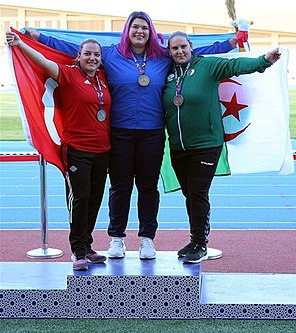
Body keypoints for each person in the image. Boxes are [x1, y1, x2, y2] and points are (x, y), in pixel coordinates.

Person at [24, 11, 238, 260]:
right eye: (135, 27)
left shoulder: (163, 56)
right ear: (128, 30)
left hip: (152, 133)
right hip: (119, 133)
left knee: (148, 187)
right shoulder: (110, 55)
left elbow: (196, 50)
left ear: (151, 32)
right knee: (120, 187)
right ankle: (117, 238)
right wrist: (39, 37)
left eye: (145, 28)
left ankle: (147, 239)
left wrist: (229, 43)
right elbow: (73, 48)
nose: (140, 32)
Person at [162, 31, 281, 264]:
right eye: (174, 48)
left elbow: (235, 65)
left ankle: (200, 243)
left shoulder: (208, 66)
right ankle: (195, 239)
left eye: (183, 46)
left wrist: (263, 61)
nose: (179, 51)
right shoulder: (167, 74)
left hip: (206, 144)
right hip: (178, 146)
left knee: (197, 192)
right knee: (190, 194)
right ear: (169, 51)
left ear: (191, 46)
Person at [6, 30, 112, 271]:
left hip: (103, 149)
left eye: (96, 54)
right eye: (87, 53)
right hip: (77, 149)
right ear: (79, 56)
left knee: (95, 199)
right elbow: (42, 61)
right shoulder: (68, 73)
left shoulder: (104, 78)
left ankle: (87, 244)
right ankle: (77, 251)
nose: (92, 58)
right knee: (80, 197)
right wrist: (22, 44)